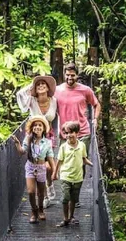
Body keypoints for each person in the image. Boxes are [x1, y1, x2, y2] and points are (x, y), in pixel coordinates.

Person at [55, 62, 101, 207]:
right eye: (67, 75)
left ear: (77, 75)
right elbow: (44, 102)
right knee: (64, 163)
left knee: (80, 163)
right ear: (64, 74)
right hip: (65, 134)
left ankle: (76, 197)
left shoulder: (85, 90)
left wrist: (95, 118)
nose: (70, 78)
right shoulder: (57, 90)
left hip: (83, 133)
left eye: (72, 75)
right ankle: (66, 193)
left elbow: (96, 104)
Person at [16, 75, 57, 208]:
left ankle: (50, 185)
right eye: (38, 84)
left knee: (49, 168)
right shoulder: (31, 100)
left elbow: (59, 116)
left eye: (43, 84)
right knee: (42, 167)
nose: (40, 86)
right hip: (34, 137)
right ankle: (45, 196)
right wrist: (31, 86)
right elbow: (20, 95)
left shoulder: (54, 100)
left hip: (49, 136)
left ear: (48, 87)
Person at [12, 115, 55, 224]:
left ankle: (41, 210)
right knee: (31, 192)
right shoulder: (28, 138)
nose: (37, 127)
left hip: (41, 168)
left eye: (40, 125)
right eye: (35, 125)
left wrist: (54, 172)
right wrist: (17, 143)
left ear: (43, 128)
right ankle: (34, 211)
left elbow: (50, 157)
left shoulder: (47, 142)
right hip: (30, 167)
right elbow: (22, 152)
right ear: (32, 128)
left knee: (40, 193)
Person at [52, 121, 93, 227]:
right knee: (66, 198)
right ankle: (65, 219)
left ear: (77, 133)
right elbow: (59, 161)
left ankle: (71, 216)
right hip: (65, 176)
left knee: (74, 199)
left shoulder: (82, 145)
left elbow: (84, 159)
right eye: (66, 133)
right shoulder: (63, 147)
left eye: (71, 132)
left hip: (78, 177)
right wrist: (55, 173)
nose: (68, 135)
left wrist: (94, 165)